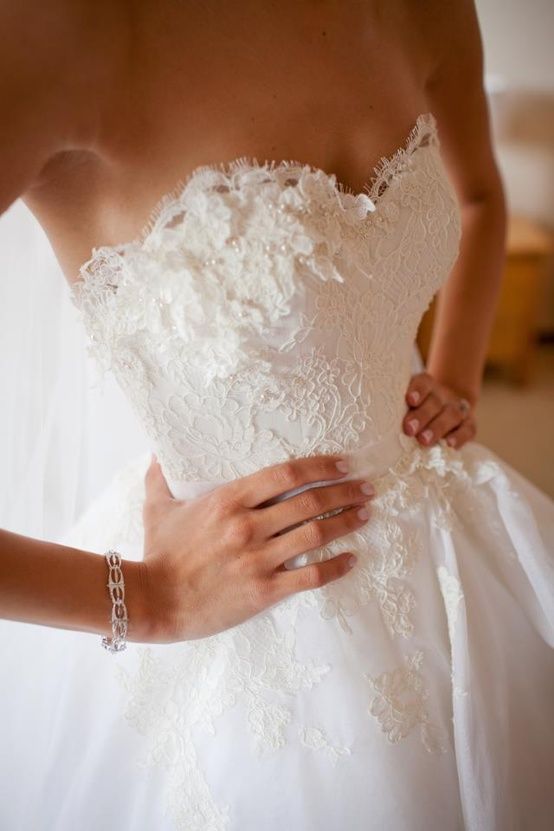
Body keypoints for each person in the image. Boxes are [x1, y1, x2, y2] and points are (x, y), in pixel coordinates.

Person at [0, 1, 552, 829]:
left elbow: (477, 200)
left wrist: (456, 381)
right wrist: (146, 598)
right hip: (246, 642)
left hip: (462, 563)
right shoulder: (59, 30)